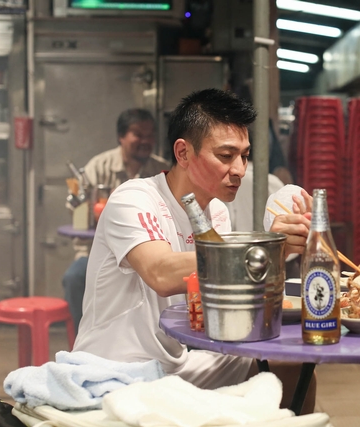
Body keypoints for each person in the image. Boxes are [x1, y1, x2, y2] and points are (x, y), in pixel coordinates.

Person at [72, 88, 316, 413]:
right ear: (183, 153)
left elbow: (226, 293)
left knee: (294, 369)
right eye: (226, 156)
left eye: (244, 156)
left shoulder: (217, 213)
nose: (240, 169)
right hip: (117, 372)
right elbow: (160, 272)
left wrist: (281, 251)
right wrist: (265, 248)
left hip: (176, 366)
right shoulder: (134, 198)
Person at [62, 108, 170, 333]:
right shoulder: (99, 166)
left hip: (147, 253)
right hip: (95, 252)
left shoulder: (161, 171)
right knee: (74, 277)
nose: (145, 141)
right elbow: (75, 207)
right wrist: (96, 210)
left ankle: (150, 341)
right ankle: (86, 338)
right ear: (121, 136)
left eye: (150, 135)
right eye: (138, 134)